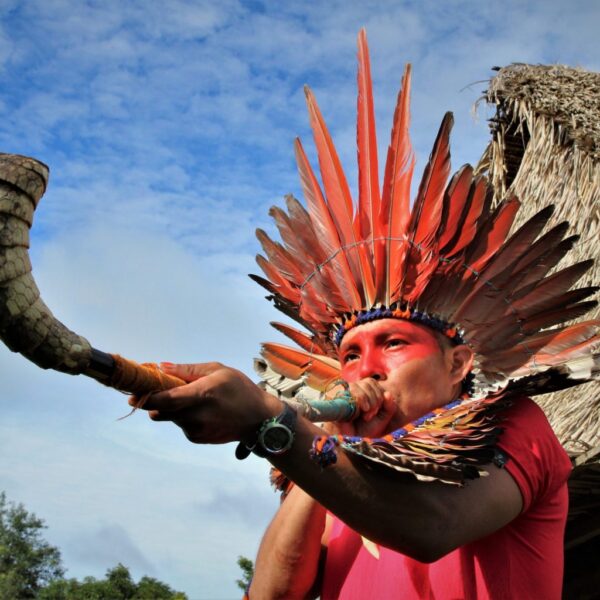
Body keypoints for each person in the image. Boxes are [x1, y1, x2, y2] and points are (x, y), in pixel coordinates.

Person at [131, 30, 597, 600]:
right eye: (350, 354)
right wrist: (317, 436)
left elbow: (432, 528)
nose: (364, 369)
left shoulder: (517, 427)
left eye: (394, 344)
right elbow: (270, 596)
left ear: (459, 364)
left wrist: (270, 424)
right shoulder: (336, 465)